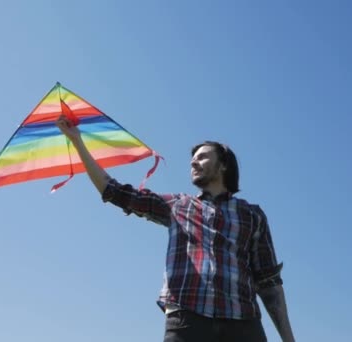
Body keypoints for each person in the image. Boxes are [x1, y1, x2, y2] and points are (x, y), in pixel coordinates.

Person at [56, 115, 295, 342]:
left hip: (243, 324)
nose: (193, 161)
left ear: (223, 165)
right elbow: (114, 192)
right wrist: (77, 140)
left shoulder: (252, 214)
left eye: (202, 157)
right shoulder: (177, 205)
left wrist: (288, 339)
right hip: (187, 321)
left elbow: (268, 282)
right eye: (193, 158)